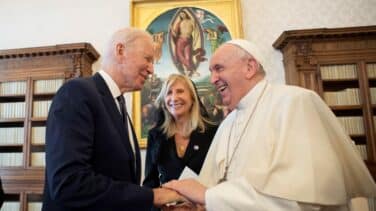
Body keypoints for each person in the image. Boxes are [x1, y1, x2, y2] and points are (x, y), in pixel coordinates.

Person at [163, 39, 376, 210]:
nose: (213, 79)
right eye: (211, 71)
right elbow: (213, 186)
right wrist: (197, 203)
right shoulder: (227, 124)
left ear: (249, 67)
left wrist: (208, 196)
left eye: (219, 68)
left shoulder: (295, 103)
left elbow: (302, 201)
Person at [42, 27, 183, 211]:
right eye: (147, 59)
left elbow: (120, 186)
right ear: (120, 51)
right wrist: (152, 196)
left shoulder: (119, 106)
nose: (151, 69)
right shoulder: (77, 93)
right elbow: (69, 183)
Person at [143, 74, 218, 209]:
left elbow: (222, 180)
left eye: (180, 91)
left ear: (192, 98)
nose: (174, 98)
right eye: (169, 93)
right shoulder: (155, 136)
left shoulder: (213, 133)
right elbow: (149, 184)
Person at [171, 10, 201, 77]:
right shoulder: (179, 23)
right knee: (180, 56)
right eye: (181, 15)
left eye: (183, 14)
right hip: (180, 39)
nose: (182, 15)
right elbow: (176, 34)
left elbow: (196, 31)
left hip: (188, 40)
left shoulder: (191, 21)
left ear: (186, 14)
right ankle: (192, 71)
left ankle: (189, 71)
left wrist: (195, 41)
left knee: (188, 57)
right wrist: (173, 32)